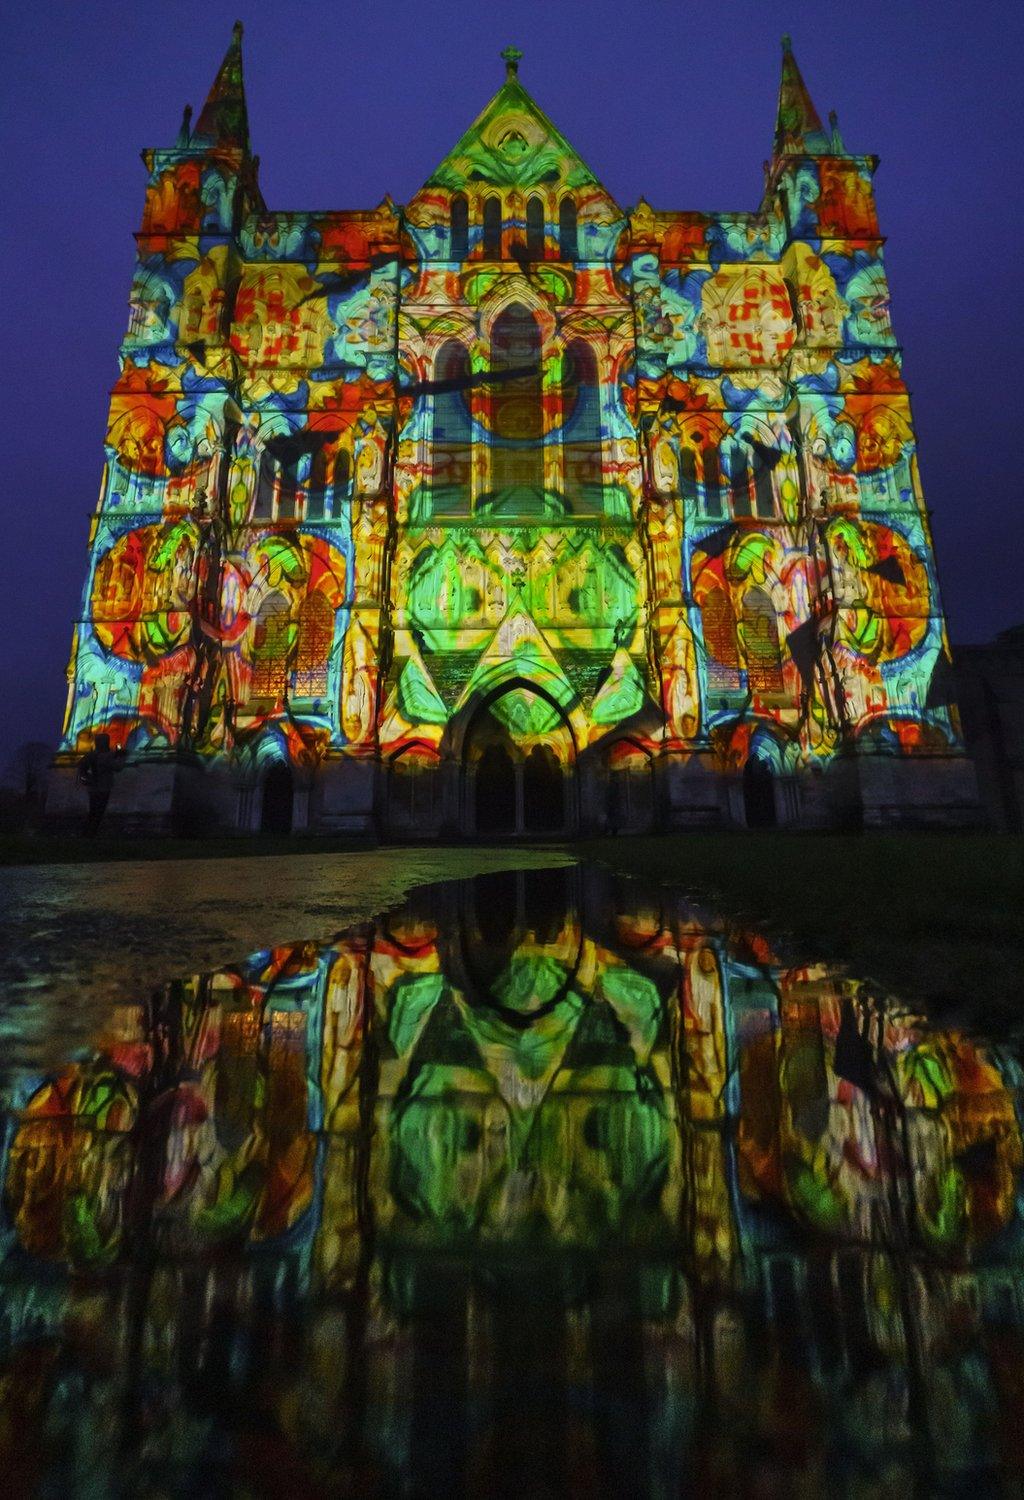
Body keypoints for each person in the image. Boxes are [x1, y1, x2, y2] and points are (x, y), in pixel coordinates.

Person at [77, 733, 122, 835]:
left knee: (93, 811)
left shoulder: (91, 755)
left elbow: (81, 765)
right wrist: (120, 756)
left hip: (93, 787)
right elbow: (118, 767)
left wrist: (87, 777)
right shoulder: (106, 756)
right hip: (103, 787)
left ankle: (87, 832)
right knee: (99, 812)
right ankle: (91, 832)